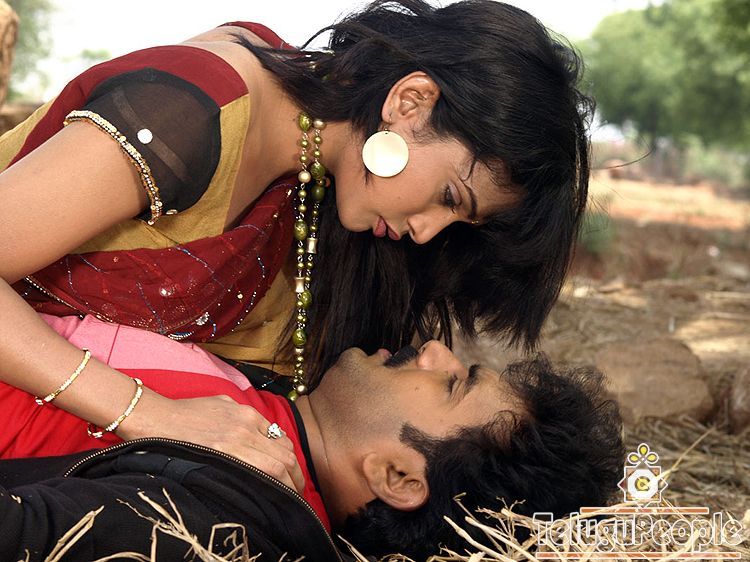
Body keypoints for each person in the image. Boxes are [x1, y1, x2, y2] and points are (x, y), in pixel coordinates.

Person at [0, 0, 592, 466]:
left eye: (461, 220)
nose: (428, 231)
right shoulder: (189, 113)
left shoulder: (319, 178)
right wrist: (150, 414)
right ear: (411, 103)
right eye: (449, 198)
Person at [0, 338, 623, 561]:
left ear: (398, 477)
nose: (435, 350)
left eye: (453, 384)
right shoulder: (271, 414)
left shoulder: (216, 520)